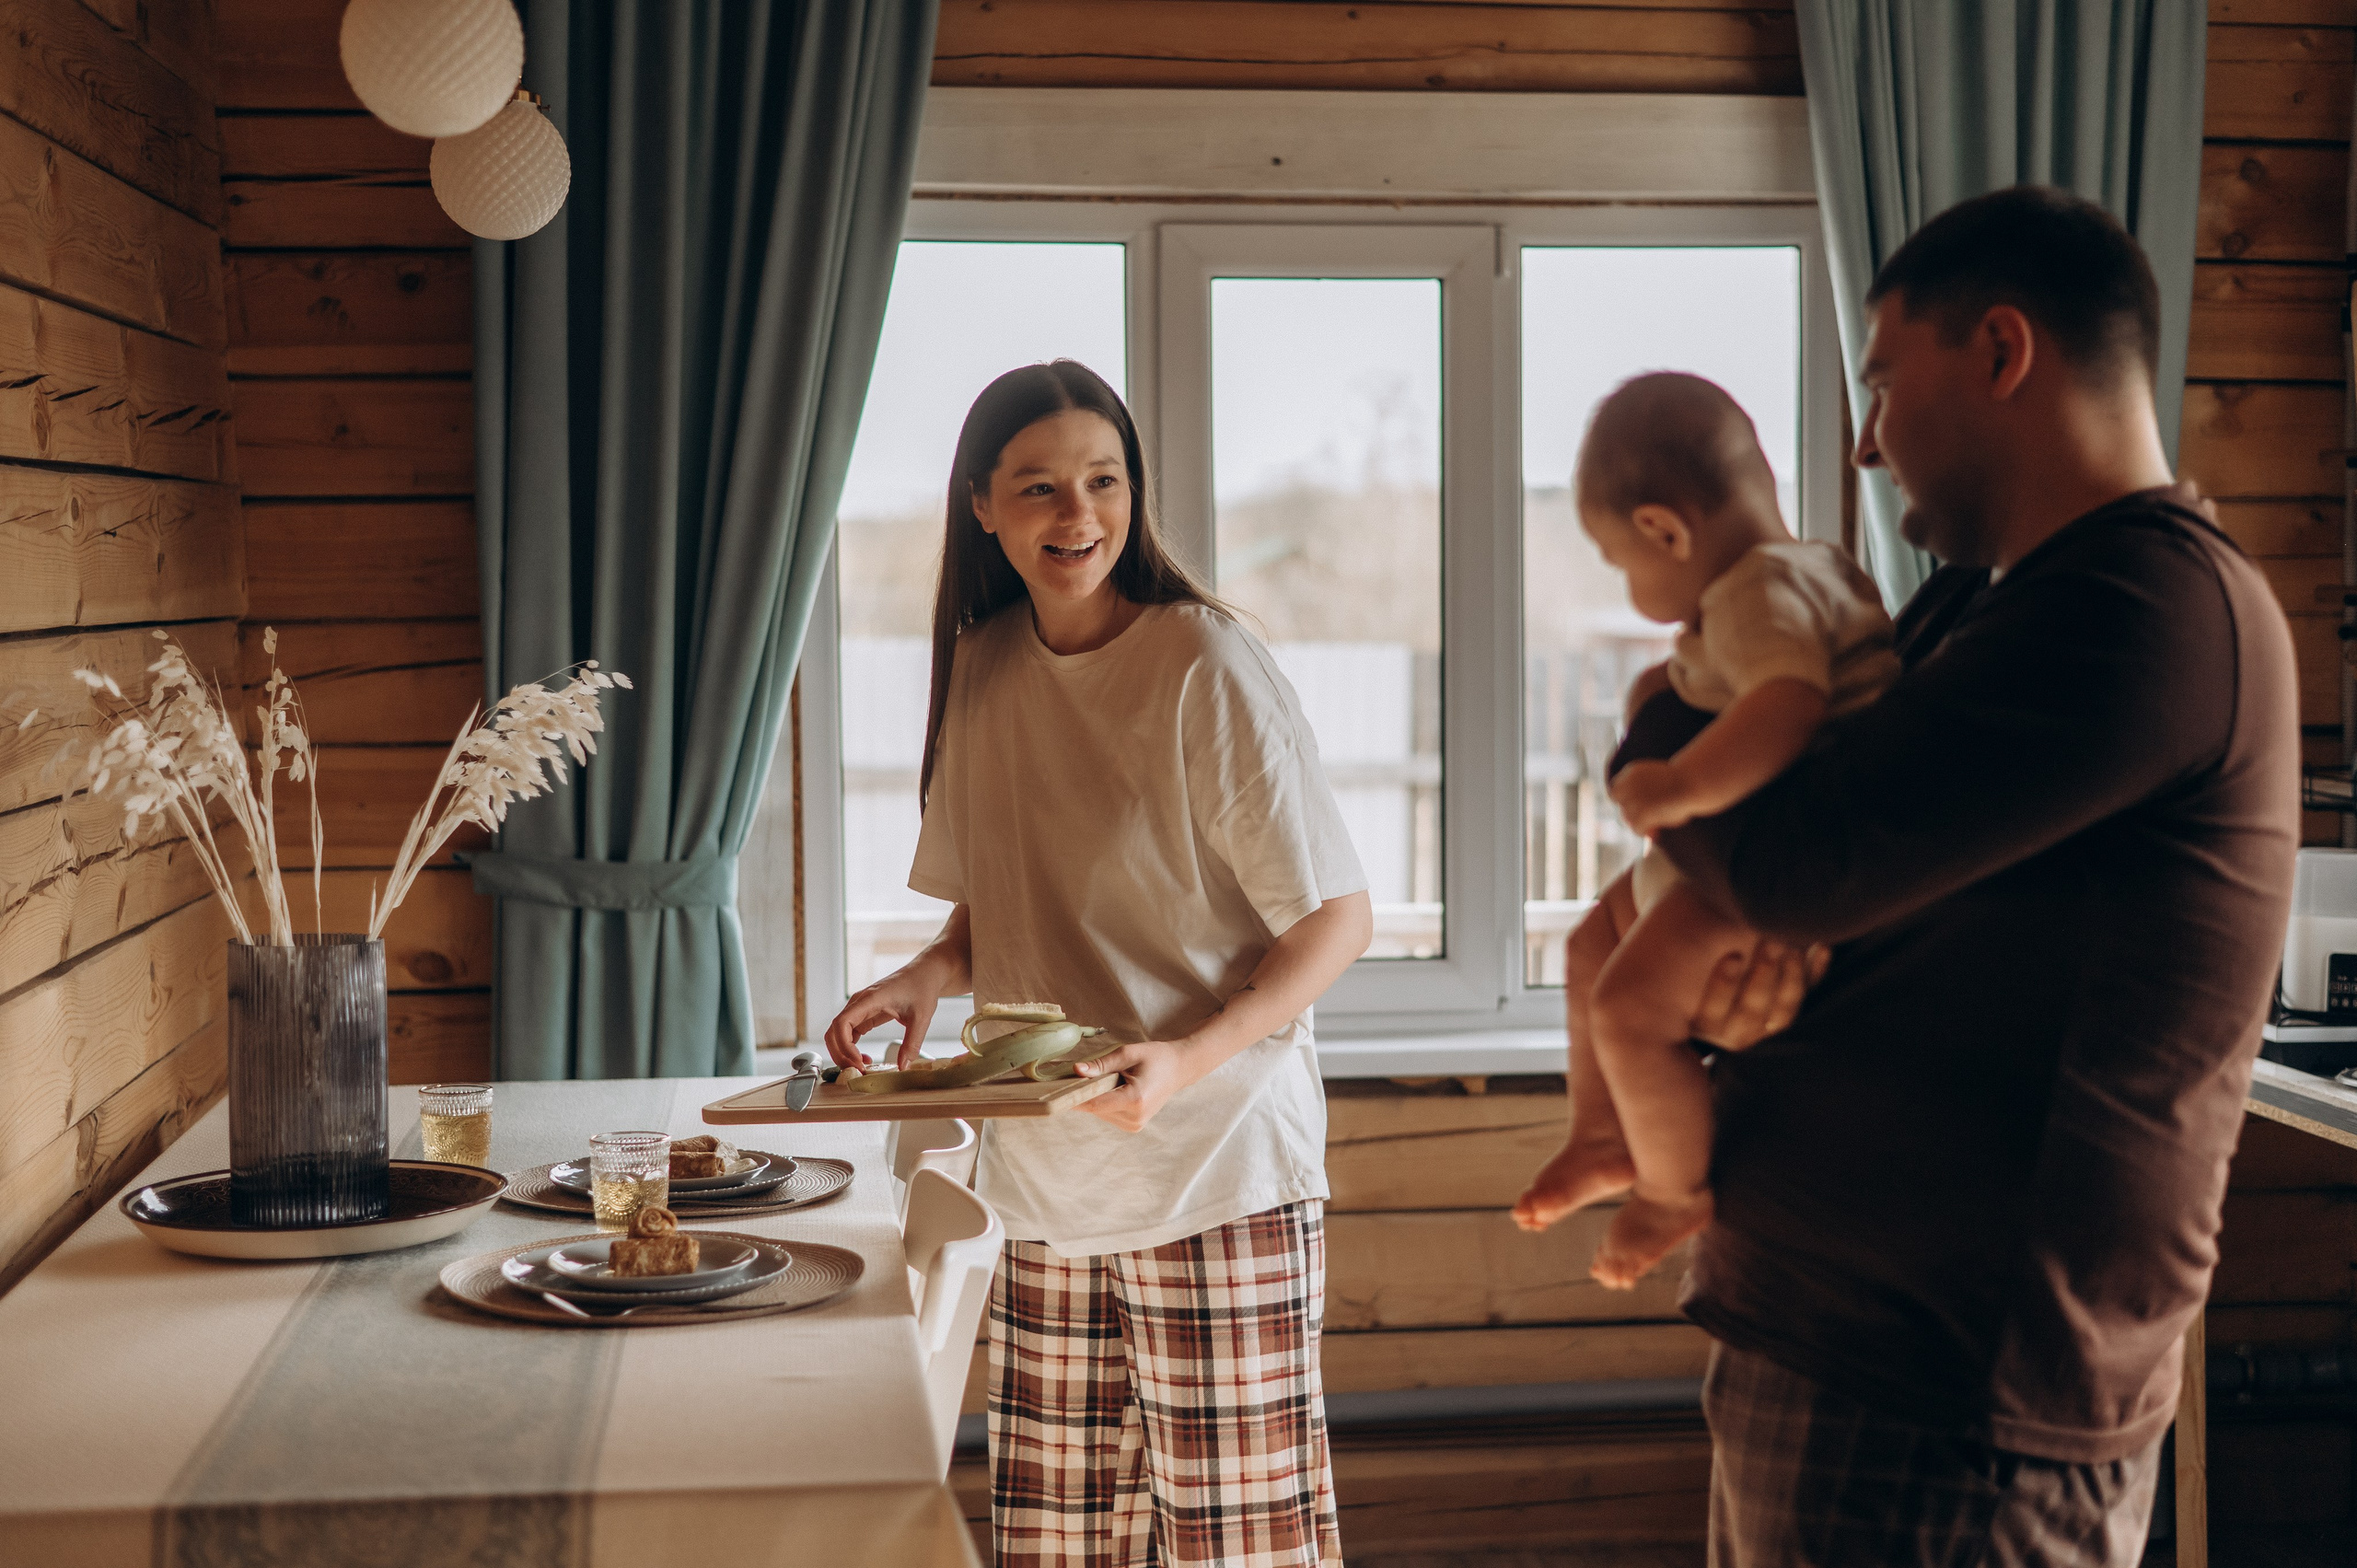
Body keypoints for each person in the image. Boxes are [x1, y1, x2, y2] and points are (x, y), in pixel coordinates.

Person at [1628, 186, 2298, 1566]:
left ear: (2002, 351)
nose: (1866, 441)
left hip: (1952, 1394)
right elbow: (1821, 870)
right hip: (1856, 1345)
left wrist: (1654, 709)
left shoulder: (2143, 608)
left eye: (1882, 381)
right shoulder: (1984, 605)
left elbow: (1797, 860)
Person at [822, 359, 1372, 1568]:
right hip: (1044, 1188)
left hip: (1216, 1171)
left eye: (1103, 480)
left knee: (1238, 1550)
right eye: (1039, 487)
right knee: (1057, 1550)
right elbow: (997, 906)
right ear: (982, 505)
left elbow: (1336, 918)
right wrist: (923, 974)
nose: (1078, 516)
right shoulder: (986, 665)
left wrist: (1186, 1059)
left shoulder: (1205, 665)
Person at [1511, 374, 1899, 1290]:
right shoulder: (1816, 568)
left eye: (1620, 563)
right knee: (1587, 947)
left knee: (1626, 1008)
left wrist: (1679, 779)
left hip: (1752, 880)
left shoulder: (1757, 592)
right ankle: (1605, 1134)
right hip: (1725, 868)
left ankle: (1672, 1186)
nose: (1630, 582)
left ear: (1663, 530)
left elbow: (1787, 704)